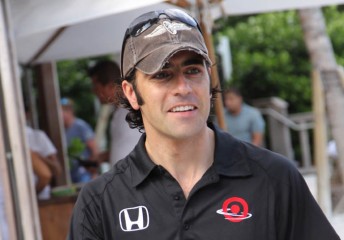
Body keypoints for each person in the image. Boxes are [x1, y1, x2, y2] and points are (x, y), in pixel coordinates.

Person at [68, 9, 339, 239]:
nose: (183, 87)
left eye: (193, 70)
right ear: (130, 93)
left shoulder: (274, 178)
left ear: (209, 79)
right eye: (162, 75)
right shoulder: (100, 203)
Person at [88, 60, 141, 165]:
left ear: (110, 86)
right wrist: (102, 157)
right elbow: (127, 146)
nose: (93, 91)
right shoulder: (119, 112)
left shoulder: (135, 108)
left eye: (96, 87)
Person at [61, 98, 99, 182]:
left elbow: (94, 149)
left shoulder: (81, 126)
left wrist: (94, 173)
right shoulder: (61, 130)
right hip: (70, 174)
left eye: (65, 110)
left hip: (84, 173)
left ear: (71, 111)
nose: (62, 114)